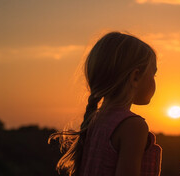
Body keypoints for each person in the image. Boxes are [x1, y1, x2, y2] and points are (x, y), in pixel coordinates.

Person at [49, 32, 161, 176]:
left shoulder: (96, 120)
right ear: (135, 77)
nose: (154, 81)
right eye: (153, 74)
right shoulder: (133, 126)